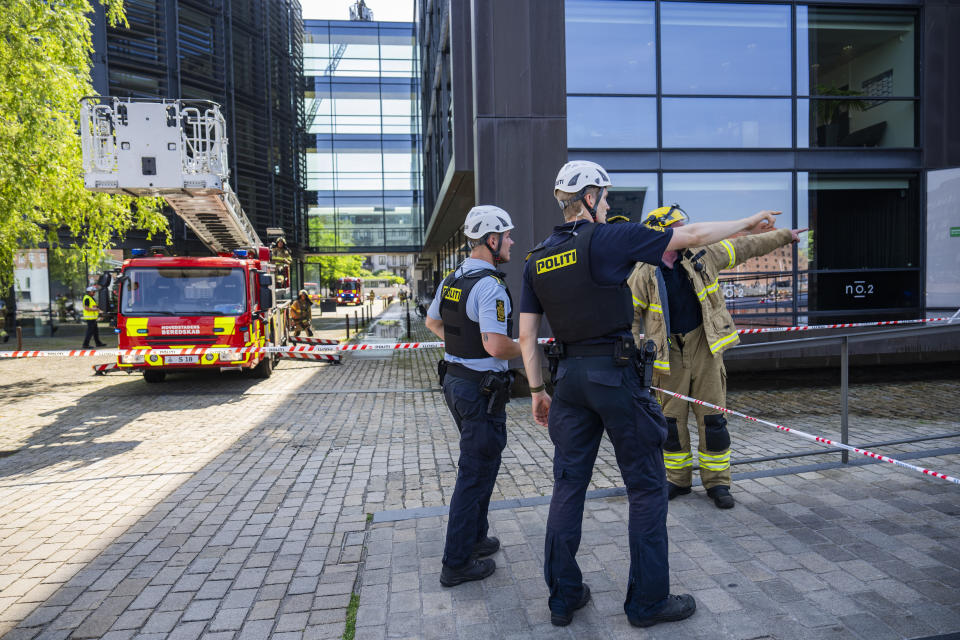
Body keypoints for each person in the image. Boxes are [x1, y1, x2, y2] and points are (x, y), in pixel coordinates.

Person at [518, 160, 779, 628]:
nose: (608, 204)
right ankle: (648, 602)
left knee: (567, 486)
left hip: (568, 381)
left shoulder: (537, 257)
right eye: (605, 196)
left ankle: (563, 597)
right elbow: (693, 235)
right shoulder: (606, 238)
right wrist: (747, 221)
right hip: (614, 377)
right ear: (592, 197)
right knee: (646, 486)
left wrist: (538, 390)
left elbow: (526, 336)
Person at [625, 205, 805, 509]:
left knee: (713, 421)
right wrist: (631, 360)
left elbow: (744, 247)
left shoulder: (702, 254)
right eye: (679, 227)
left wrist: (784, 236)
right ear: (662, 234)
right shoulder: (643, 271)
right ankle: (676, 479)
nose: (687, 231)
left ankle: (718, 483)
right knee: (669, 423)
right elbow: (627, 319)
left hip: (705, 347)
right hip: (667, 357)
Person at [424, 205, 521, 588]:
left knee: (484, 463)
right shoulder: (490, 286)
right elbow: (497, 346)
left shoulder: (454, 278)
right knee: (475, 472)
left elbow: (434, 322)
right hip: (479, 390)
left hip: (457, 382)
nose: (512, 241)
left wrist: (463, 350)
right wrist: (528, 347)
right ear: (492, 240)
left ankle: (476, 538)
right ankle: (457, 562)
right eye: (508, 236)